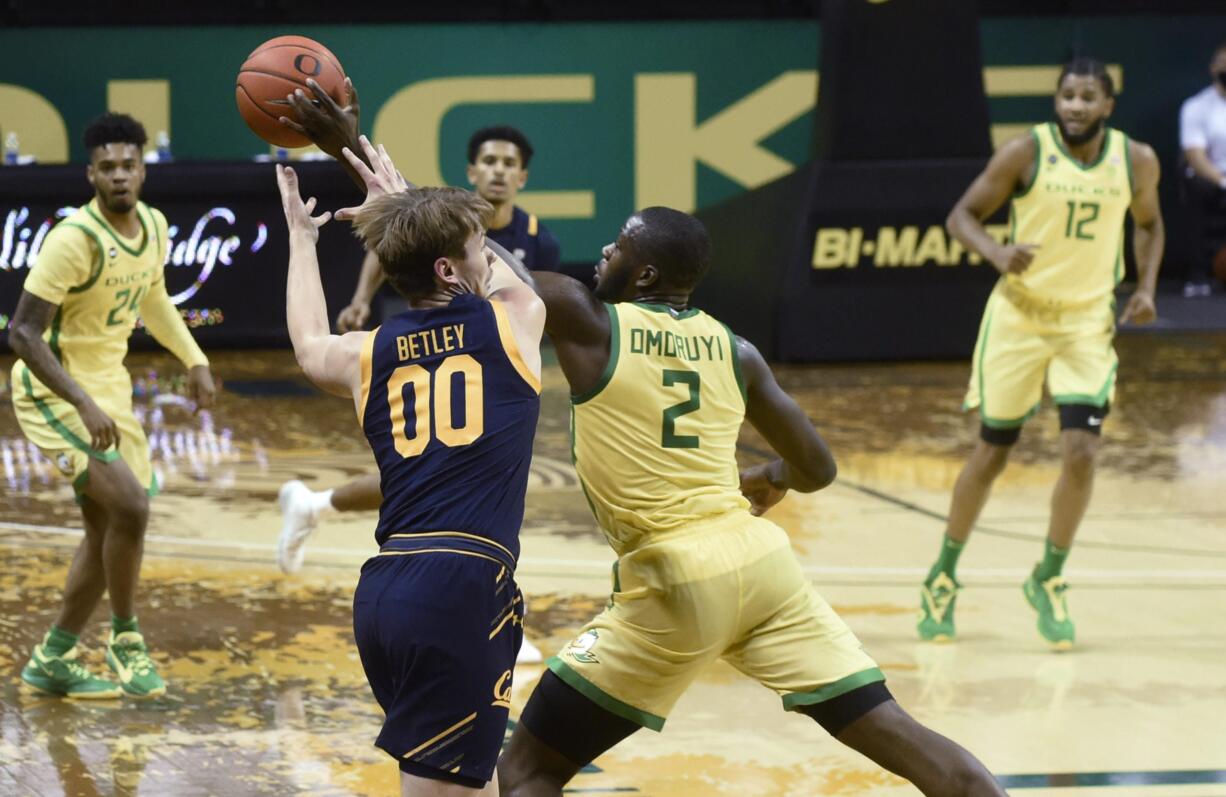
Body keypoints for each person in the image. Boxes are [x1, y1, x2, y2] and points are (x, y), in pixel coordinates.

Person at [284, 78, 1009, 797]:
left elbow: (458, 251)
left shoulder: (584, 317)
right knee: (904, 738)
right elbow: (817, 466)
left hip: (673, 577)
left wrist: (350, 145)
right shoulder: (738, 350)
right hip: (765, 571)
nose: (606, 248)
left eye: (622, 244)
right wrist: (767, 479)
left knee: (529, 769)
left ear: (647, 271)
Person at [274, 136, 545, 794]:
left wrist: (303, 240)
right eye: (479, 248)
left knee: (466, 784)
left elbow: (309, 344)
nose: (489, 256)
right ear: (451, 271)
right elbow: (517, 282)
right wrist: (403, 203)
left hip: (386, 595)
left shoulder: (369, 352)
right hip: (460, 591)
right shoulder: (514, 324)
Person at [919, 58, 1164, 649]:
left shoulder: (1137, 160)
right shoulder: (1025, 152)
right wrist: (997, 253)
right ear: (1057, 103)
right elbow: (961, 217)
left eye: (1087, 97)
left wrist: (1148, 288)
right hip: (1020, 318)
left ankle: (1049, 577)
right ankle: (943, 573)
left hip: (1085, 321)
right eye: (1067, 96)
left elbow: (1150, 225)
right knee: (991, 453)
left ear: (1108, 105)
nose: (1075, 106)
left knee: (1082, 453)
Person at [9, 112, 216, 698]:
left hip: (109, 390)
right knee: (132, 509)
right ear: (91, 174)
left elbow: (154, 302)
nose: (119, 176)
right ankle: (126, 639)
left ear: (143, 169)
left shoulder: (152, 226)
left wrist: (194, 359)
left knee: (108, 528)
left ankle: (53, 658)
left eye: (129, 165)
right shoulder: (73, 240)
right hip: (54, 392)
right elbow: (22, 335)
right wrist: (82, 401)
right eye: (108, 168)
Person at [1179, 40, 1226, 297]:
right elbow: (1195, 156)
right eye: (1223, 63)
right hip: (1212, 180)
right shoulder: (1196, 106)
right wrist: (1222, 181)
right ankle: (1197, 277)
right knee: (1196, 186)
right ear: (1213, 68)